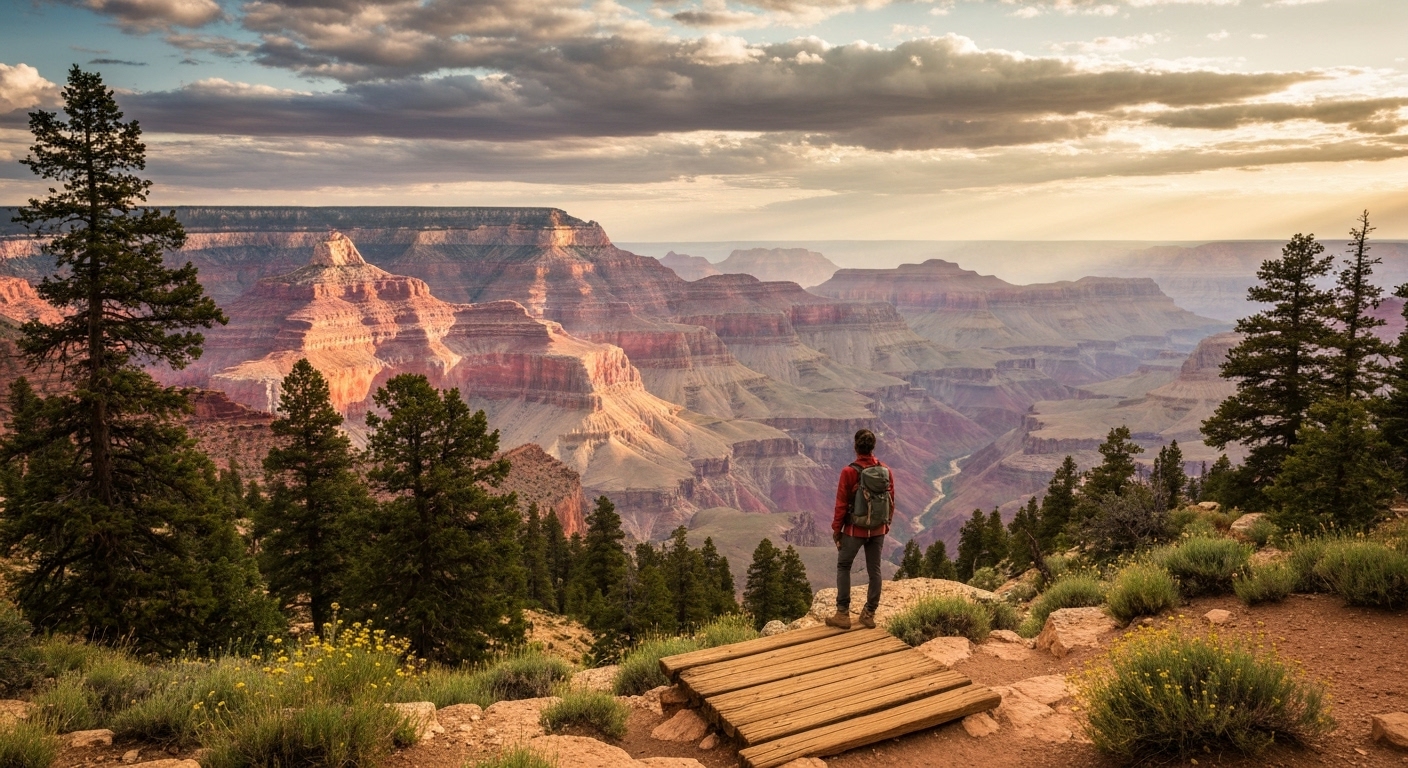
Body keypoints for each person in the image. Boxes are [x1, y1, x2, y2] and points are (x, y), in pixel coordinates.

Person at [826, 428, 894, 630]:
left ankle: (842, 613)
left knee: (844, 566)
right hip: (878, 529)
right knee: (875, 570)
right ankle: (869, 613)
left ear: (855, 447)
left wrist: (837, 530)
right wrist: (885, 524)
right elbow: (892, 500)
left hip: (855, 530)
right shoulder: (885, 471)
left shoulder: (849, 472)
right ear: (873, 447)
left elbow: (841, 504)